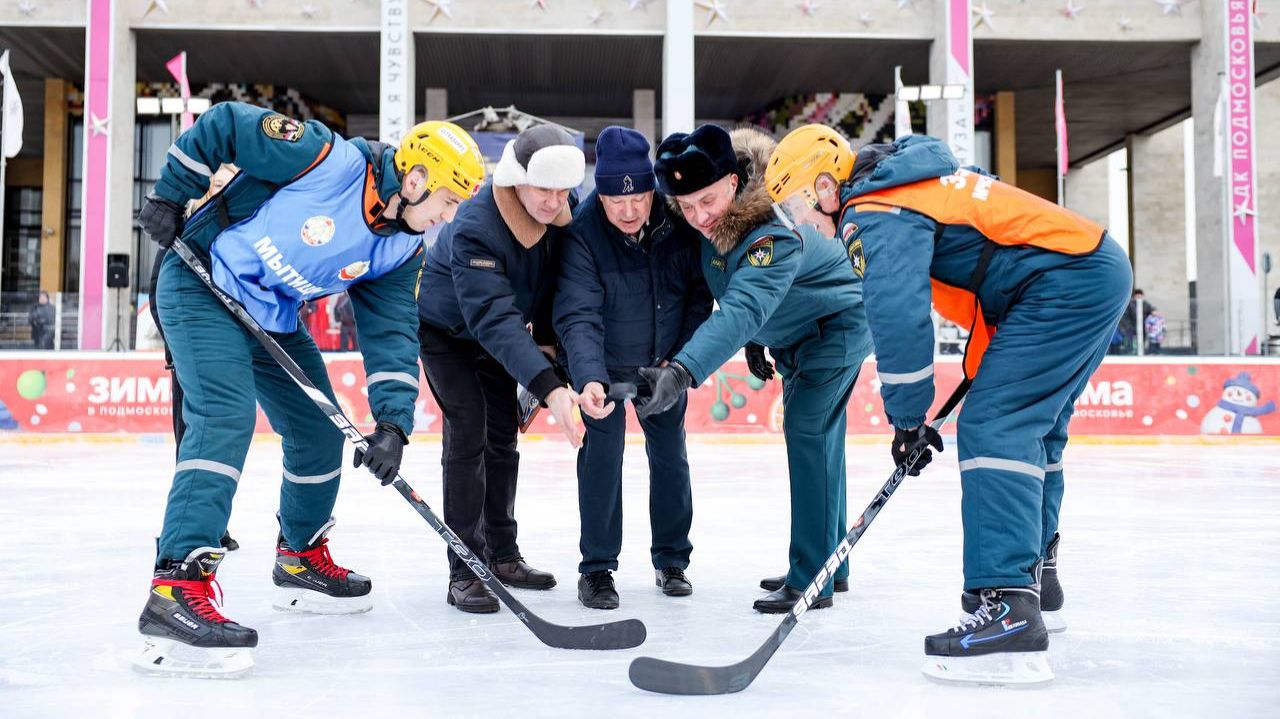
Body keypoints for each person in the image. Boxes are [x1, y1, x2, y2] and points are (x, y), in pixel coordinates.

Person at [766, 126, 1132, 684]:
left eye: (795, 206)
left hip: (1064, 283)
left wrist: (909, 419)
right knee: (1037, 429)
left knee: (994, 427)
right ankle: (1033, 578)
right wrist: (973, 373)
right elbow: (1002, 267)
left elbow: (896, 314)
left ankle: (1008, 608)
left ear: (823, 185)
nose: (800, 223)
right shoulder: (913, 183)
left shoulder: (872, 209)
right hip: (1086, 270)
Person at [133, 102, 485, 677]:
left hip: (270, 316)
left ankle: (299, 557)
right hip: (202, 284)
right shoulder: (324, 157)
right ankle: (175, 588)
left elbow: (392, 332)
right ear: (417, 180)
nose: (447, 216)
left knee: (319, 433)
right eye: (447, 201)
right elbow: (225, 125)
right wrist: (173, 194)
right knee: (224, 419)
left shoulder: (401, 249)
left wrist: (393, 424)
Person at [637, 124, 872, 614]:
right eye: (686, 206)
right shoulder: (710, 223)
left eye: (707, 201)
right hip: (799, 330)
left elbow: (745, 306)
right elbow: (737, 293)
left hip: (836, 328)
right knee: (822, 442)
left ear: (731, 182)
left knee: (809, 435)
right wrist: (756, 342)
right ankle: (833, 563)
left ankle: (813, 578)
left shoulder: (774, 227)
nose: (698, 217)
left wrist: (681, 373)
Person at [417, 124, 585, 614]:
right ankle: (465, 567)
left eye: (561, 191)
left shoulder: (560, 220)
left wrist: (553, 351)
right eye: (543, 190)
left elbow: (558, 292)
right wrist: (549, 388)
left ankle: (503, 554)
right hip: (448, 334)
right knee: (468, 433)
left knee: (502, 437)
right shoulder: (477, 225)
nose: (553, 201)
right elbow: (492, 317)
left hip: (498, 336)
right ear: (517, 179)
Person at [554, 126, 712, 609]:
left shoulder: (678, 223)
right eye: (614, 199)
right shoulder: (581, 233)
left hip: (662, 366)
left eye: (639, 197)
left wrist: (678, 362)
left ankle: (672, 560)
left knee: (670, 457)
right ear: (598, 193)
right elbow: (578, 313)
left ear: (652, 190)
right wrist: (589, 378)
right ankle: (597, 569)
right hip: (601, 365)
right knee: (601, 459)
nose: (628, 211)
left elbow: (697, 299)